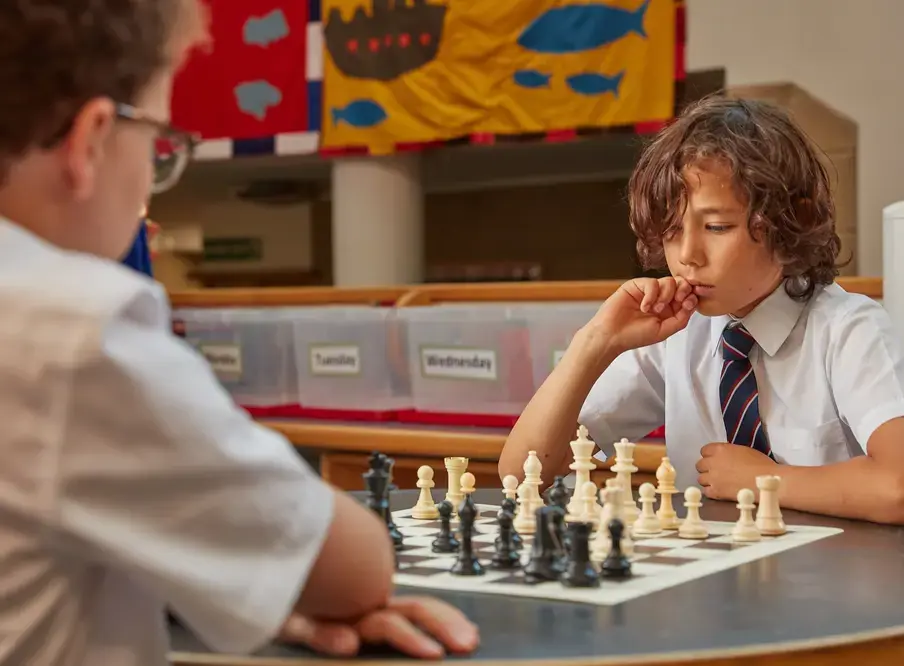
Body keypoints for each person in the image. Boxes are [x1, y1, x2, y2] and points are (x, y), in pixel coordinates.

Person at [0, 1, 477, 664]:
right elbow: (352, 569)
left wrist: (225, 589)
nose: (151, 182)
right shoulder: (75, 329)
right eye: (158, 145)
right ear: (91, 141)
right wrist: (284, 584)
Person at [500, 96, 904, 526]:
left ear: (791, 222)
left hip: (833, 581)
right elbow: (523, 474)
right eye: (671, 231)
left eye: (716, 227)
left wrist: (767, 479)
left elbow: (897, 487)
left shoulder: (849, 330)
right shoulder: (676, 332)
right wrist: (594, 343)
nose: (687, 255)